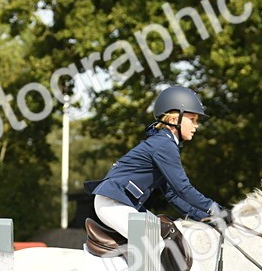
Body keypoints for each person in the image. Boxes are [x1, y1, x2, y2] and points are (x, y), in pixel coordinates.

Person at [91, 85, 228, 243]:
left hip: (120, 203)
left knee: (170, 236)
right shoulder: (164, 145)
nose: (196, 125)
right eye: (192, 119)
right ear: (174, 119)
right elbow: (184, 189)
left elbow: (173, 195)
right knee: (154, 242)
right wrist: (217, 210)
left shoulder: (164, 142)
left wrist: (204, 217)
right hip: (113, 203)